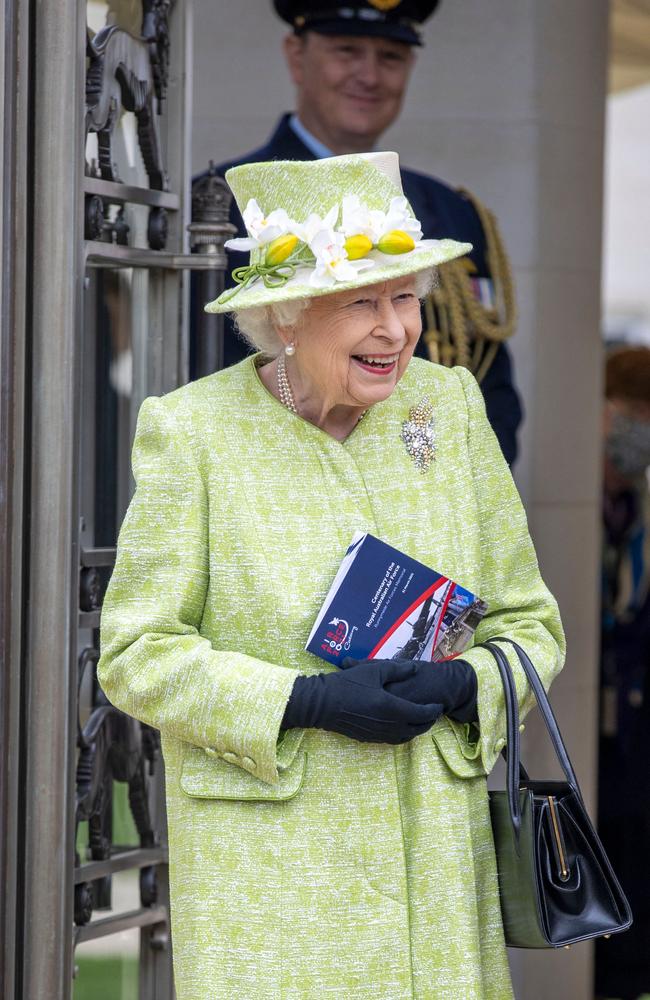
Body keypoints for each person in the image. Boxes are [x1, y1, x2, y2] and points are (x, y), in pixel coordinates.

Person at [99, 152, 564, 999]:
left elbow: (532, 627)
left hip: (437, 872)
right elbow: (137, 653)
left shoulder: (447, 408)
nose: (396, 330)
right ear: (285, 315)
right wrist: (305, 702)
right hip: (274, 889)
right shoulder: (194, 431)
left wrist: (466, 685)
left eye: (405, 296)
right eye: (362, 303)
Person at [197, 0, 523, 465]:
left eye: (390, 57)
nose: (369, 76)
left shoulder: (452, 211)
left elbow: (492, 386)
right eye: (346, 50)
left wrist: (455, 485)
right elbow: (206, 371)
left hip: (430, 489)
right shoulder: (224, 206)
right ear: (296, 55)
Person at [596, 347, 650, 1000]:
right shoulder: (572, 510)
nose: (640, 428)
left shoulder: (638, 514)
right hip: (589, 739)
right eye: (634, 412)